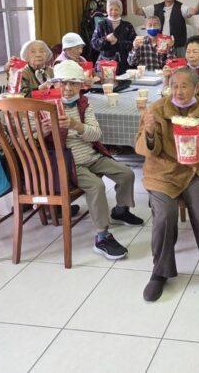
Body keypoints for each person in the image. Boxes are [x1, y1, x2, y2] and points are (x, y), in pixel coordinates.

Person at [135, 67, 199, 301]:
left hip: (198, 168)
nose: (178, 91)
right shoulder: (157, 109)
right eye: (174, 86)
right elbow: (146, 149)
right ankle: (160, 272)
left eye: (184, 86)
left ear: (196, 88)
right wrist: (150, 132)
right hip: (164, 171)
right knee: (164, 216)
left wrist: (191, 132)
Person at [48, 61, 142, 259]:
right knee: (96, 186)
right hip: (70, 163)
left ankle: (120, 211)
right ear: (55, 84)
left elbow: (96, 134)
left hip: (91, 155)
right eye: (63, 83)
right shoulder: (45, 107)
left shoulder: (83, 104)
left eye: (73, 83)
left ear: (81, 85)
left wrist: (76, 125)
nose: (67, 88)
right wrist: (44, 129)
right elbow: (30, 135)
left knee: (126, 173)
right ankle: (102, 237)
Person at [128, 0, 199, 57]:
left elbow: (194, 11)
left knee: (179, 65)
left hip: (178, 47)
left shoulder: (181, 7)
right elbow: (136, 11)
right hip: (160, 46)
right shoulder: (155, 7)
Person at [90, 0, 137, 74]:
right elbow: (94, 44)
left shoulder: (128, 26)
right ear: (107, 10)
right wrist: (106, 39)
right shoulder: (101, 25)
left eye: (116, 9)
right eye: (111, 9)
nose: (113, 12)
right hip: (105, 65)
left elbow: (133, 45)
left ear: (121, 10)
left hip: (124, 65)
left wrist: (117, 42)